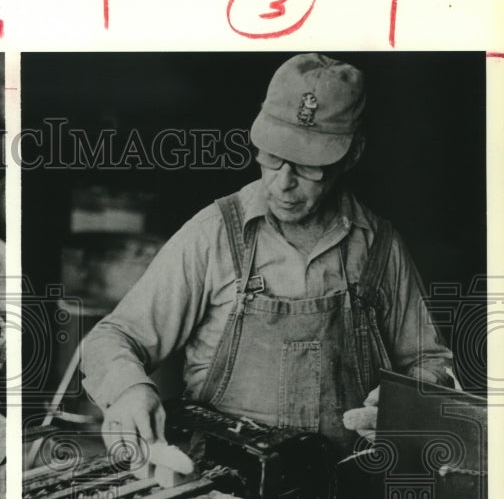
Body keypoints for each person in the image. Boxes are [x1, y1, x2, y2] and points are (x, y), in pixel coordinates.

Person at [80, 53, 454, 461]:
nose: (283, 182)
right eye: (272, 157)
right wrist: (131, 389)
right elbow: (114, 336)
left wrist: (403, 405)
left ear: (353, 154)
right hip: (224, 492)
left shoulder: (381, 247)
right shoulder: (215, 234)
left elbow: (430, 363)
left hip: (347, 494)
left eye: (309, 165)